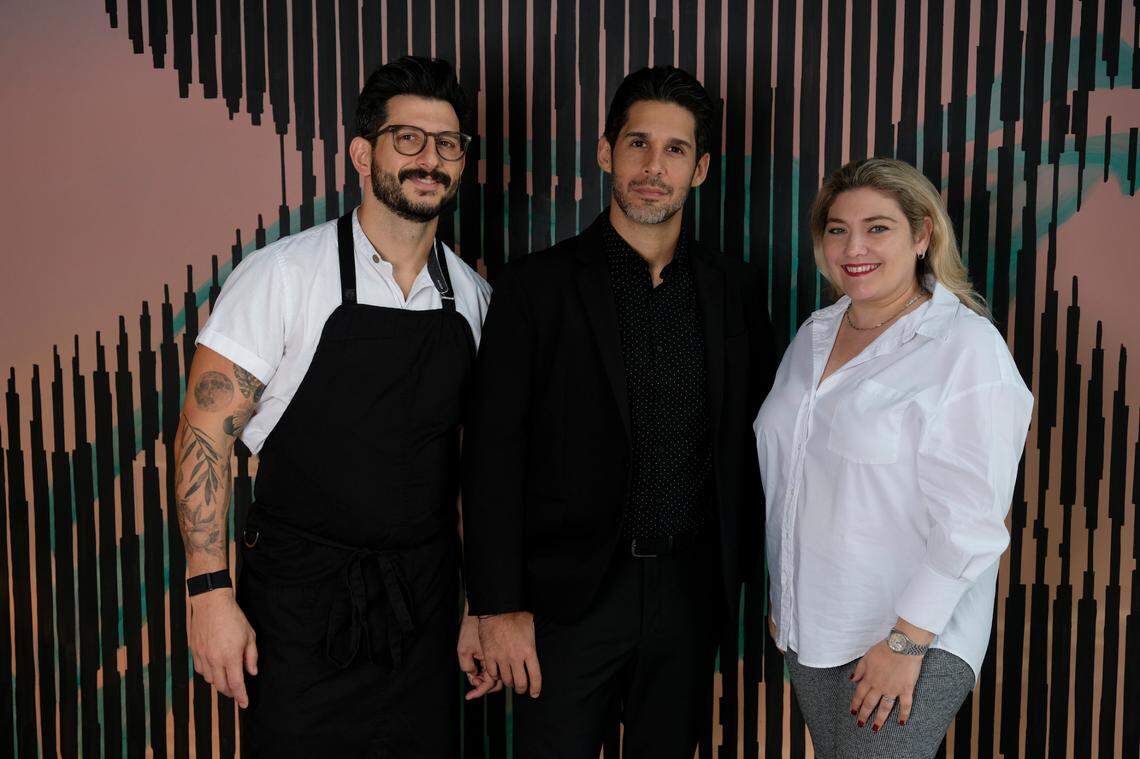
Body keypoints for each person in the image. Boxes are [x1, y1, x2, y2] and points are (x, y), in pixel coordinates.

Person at [175, 56, 494, 757]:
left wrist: (478, 605)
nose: (429, 159)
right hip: (298, 607)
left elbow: (471, 469)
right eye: (408, 138)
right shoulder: (283, 277)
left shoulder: (472, 298)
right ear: (362, 152)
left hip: (423, 607)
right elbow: (205, 433)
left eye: (447, 144)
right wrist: (207, 592)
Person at [459, 65, 779, 757]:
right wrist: (495, 604)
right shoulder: (534, 287)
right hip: (566, 599)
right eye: (637, 143)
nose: (652, 166)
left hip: (691, 592)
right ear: (606, 152)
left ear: (700, 170)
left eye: (674, 149)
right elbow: (491, 456)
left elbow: (756, 445)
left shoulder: (735, 290)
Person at [754, 157, 1033, 758]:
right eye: (837, 228)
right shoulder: (814, 336)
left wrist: (905, 644)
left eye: (878, 227)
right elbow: (794, 478)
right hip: (813, 631)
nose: (854, 246)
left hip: (907, 639)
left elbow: (975, 521)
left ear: (923, 234)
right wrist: (788, 602)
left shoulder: (966, 349)